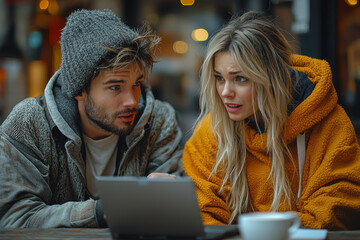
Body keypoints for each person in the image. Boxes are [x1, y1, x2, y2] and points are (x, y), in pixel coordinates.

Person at [0, 9, 183, 228]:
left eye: (136, 84)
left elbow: (175, 215)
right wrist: (101, 211)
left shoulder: (159, 120)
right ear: (78, 91)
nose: (132, 101)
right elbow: (14, 219)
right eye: (115, 87)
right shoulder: (29, 123)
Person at [183, 11, 360, 230]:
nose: (225, 92)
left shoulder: (328, 123)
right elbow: (204, 210)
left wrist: (269, 232)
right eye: (220, 78)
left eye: (240, 78)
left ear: (272, 77)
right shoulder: (212, 130)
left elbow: (340, 201)